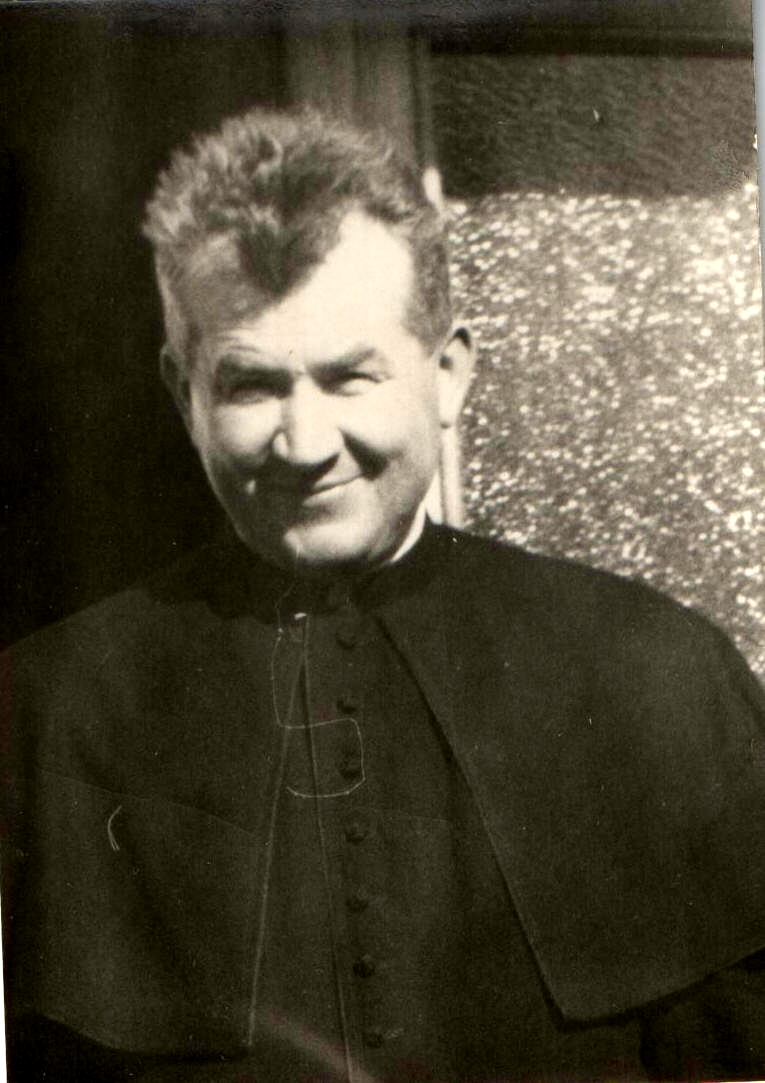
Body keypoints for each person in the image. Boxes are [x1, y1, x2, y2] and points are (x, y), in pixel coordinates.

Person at [4, 107, 765, 1083]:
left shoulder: (659, 671)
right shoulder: (47, 712)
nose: (305, 444)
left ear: (446, 375)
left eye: (349, 377)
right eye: (250, 386)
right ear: (180, 394)